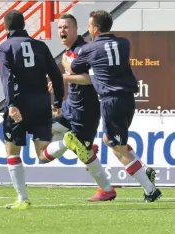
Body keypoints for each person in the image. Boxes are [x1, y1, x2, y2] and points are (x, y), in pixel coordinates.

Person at [62, 10, 161, 202]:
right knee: (109, 140)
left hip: (111, 100)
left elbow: (74, 68)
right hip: (128, 99)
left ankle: (150, 190)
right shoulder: (124, 43)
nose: (89, 29)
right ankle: (144, 169)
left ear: (96, 28)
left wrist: (65, 61)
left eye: (90, 26)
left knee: (117, 148)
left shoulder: (90, 49)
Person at [39, 14, 117, 202]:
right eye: (60, 28)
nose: (62, 31)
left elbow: (91, 79)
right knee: (42, 145)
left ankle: (106, 189)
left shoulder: (85, 50)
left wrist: (64, 78)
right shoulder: (68, 53)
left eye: (66, 27)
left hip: (85, 112)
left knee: (84, 154)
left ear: (75, 30)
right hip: (69, 109)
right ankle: (75, 144)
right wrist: (57, 103)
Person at [0, 10, 64, 209]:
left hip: (20, 105)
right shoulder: (40, 46)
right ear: (24, 25)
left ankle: (22, 199)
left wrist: (10, 105)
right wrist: (57, 101)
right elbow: (56, 75)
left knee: (12, 151)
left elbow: (6, 78)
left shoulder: (4, 48)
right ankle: (68, 143)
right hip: (42, 103)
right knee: (43, 154)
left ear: (5, 27)